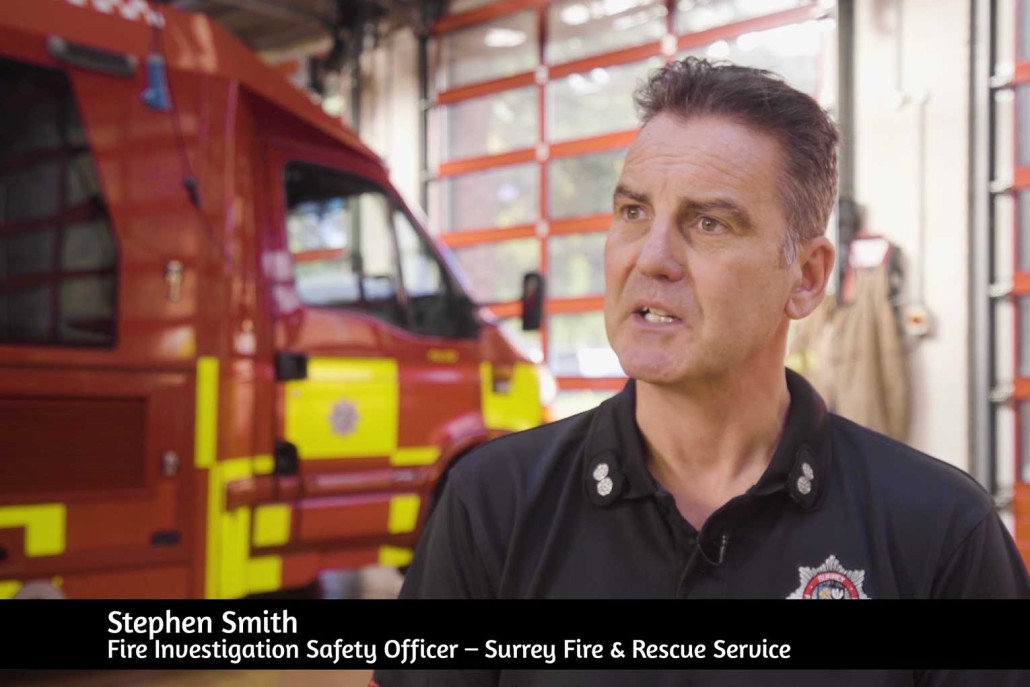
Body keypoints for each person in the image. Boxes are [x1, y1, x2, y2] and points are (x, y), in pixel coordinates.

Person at [372, 57, 1030, 686]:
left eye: (708, 222)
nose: (651, 257)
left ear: (805, 277)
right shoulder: (491, 507)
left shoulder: (942, 532)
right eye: (633, 212)